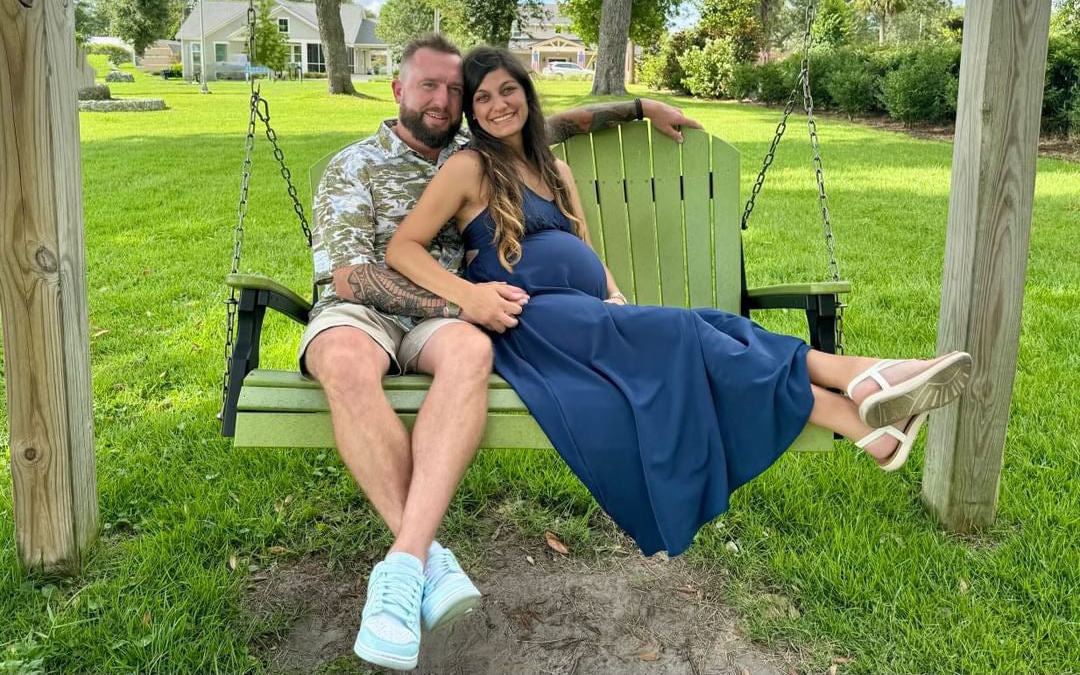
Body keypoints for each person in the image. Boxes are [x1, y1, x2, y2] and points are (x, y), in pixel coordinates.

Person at [385, 44, 973, 585]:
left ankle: (866, 426)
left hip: (586, 314)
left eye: (508, 90)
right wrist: (468, 297)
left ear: (527, 93)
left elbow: (583, 246)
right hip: (531, 320)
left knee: (714, 326)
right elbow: (403, 248)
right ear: (471, 112)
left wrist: (614, 293)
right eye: (482, 98)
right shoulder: (469, 168)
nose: (497, 105)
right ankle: (860, 376)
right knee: (691, 330)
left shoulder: (555, 169)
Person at [300, 33, 702, 671]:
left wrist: (638, 107)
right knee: (344, 360)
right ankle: (423, 558)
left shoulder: (475, 150)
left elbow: (552, 123)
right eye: (428, 86)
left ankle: (403, 563)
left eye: (452, 90)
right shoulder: (355, 165)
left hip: (452, 317)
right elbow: (349, 277)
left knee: (469, 353)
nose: (442, 100)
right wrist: (462, 302)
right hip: (370, 310)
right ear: (398, 89)